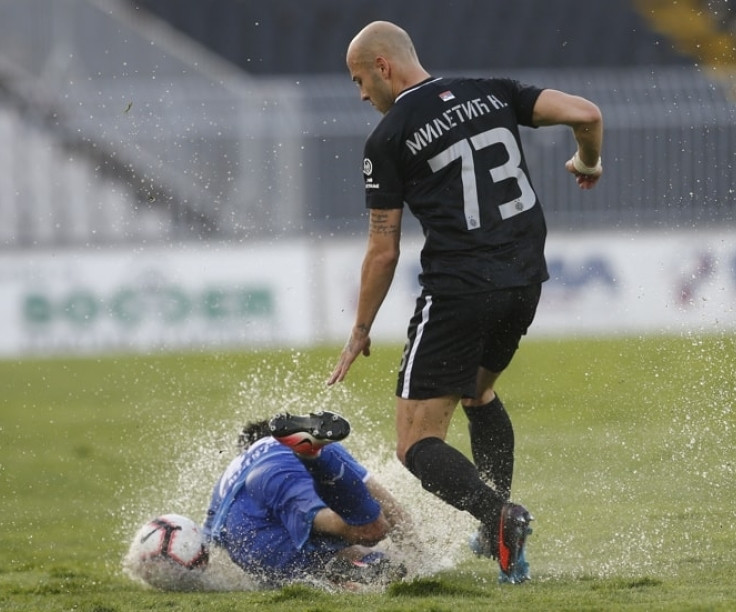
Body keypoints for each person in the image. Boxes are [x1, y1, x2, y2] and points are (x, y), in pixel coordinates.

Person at [327, 21, 604, 584]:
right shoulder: (491, 90)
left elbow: (383, 252)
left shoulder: (388, 139)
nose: (361, 95)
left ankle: (497, 517)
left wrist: (360, 329)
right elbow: (588, 114)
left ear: (383, 67)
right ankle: (495, 525)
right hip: (524, 278)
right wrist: (589, 163)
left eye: (359, 80)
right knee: (479, 393)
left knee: (415, 443)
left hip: (459, 291)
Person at [203, 410, 411, 588]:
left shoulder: (230, 475)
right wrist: (418, 553)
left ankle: (348, 565)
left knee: (331, 551)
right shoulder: (310, 446)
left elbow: (210, 543)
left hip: (249, 537)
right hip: (277, 478)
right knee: (369, 531)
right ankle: (315, 457)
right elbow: (387, 503)